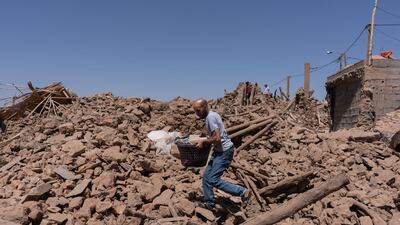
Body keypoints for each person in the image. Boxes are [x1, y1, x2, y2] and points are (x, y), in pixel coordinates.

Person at [192, 98, 251, 210]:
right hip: (219, 151)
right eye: (195, 111)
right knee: (206, 177)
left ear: (204, 107)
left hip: (224, 151)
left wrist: (203, 141)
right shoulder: (211, 115)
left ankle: (242, 192)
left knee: (213, 179)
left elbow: (217, 138)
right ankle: (210, 204)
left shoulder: (210, 117)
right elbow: (212, 135)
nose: (197, 114)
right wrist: (202, 137)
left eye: (198, 110)